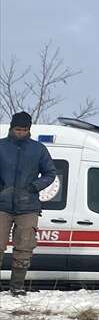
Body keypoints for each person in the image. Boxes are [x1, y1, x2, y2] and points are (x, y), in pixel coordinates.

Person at [0, 112, 57, 296]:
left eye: (24, 129)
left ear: (29, 130)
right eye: (18, 129)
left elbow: (50, 173)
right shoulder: (1, 146)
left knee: (24, 246)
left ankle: (17, 286)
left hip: (28, 206)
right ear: (11, 128)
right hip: (2, 204)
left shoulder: (38, 149)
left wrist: (35, 186)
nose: (21, 133)